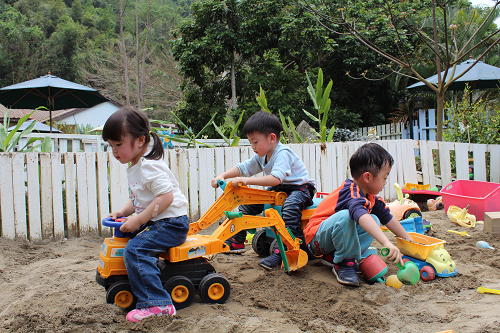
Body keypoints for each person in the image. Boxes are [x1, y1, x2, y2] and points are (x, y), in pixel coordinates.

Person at [103, 107, 189, 322]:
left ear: (140, 141)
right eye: (111, 145)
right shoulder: (137, 164)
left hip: (171, 223)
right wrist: (124, 212)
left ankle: (157, 304)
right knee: (129, 241)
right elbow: (141, 199)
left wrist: (140, 219)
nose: (114, 151)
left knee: (136, 250)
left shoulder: (148, 167)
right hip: (160, 220)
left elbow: (166, 197)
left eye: (118, 144)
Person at [211, 111, 316, 270]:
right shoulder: (262, 155)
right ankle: (238, 240)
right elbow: (244, 168)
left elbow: (275, 178)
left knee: (289, 210)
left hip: (300, 189)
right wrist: (223, 175)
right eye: (251, 142)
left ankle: (286, 249)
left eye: (255, 142)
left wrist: (245, 180)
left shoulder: (283, 153)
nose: (252, 147)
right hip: (279, 189)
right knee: (247, 203)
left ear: (272, 138)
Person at [304, 142, 413, 287]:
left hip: (331, 242)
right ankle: (344, 263)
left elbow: (389, 219)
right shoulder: (350, 192)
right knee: (348, 216)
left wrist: (410, 241)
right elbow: (360, 216)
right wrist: (386, 243)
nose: (386, 182)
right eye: (385, 177)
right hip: (317, 239)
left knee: (374, 218)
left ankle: (335, 258)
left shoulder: (371, 197)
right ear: (367, 177)